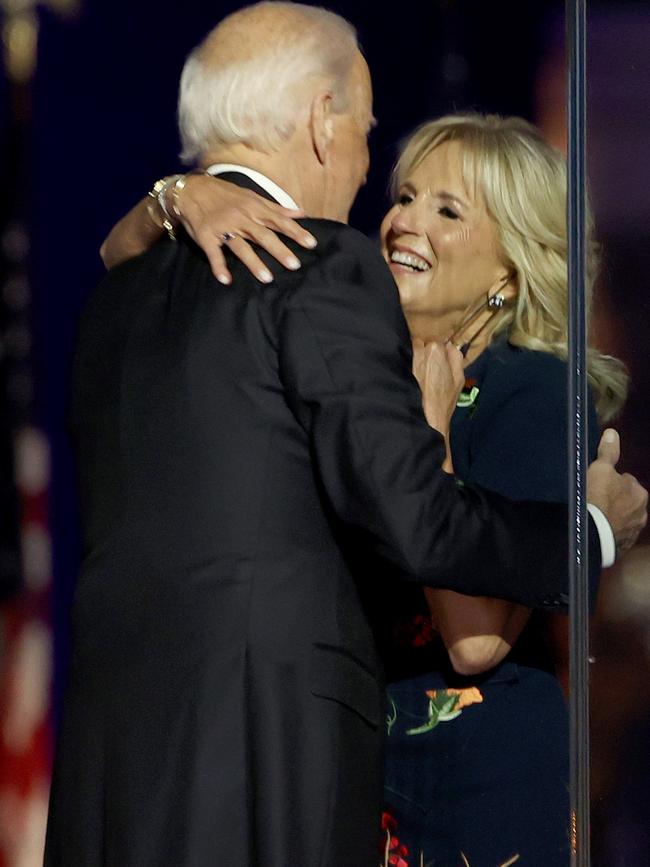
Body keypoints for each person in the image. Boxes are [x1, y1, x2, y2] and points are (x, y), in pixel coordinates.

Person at [46, 4, 647, 867]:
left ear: (514, 262)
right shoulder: (326, 281)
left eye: (448, 210)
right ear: (325, 126)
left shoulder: (118, 300)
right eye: (399, 186)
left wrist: (174, 195)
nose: (394, 215)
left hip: (433, 796)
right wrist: (588, 531)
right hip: (288, 766)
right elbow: (407, 519)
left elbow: (474, 637)